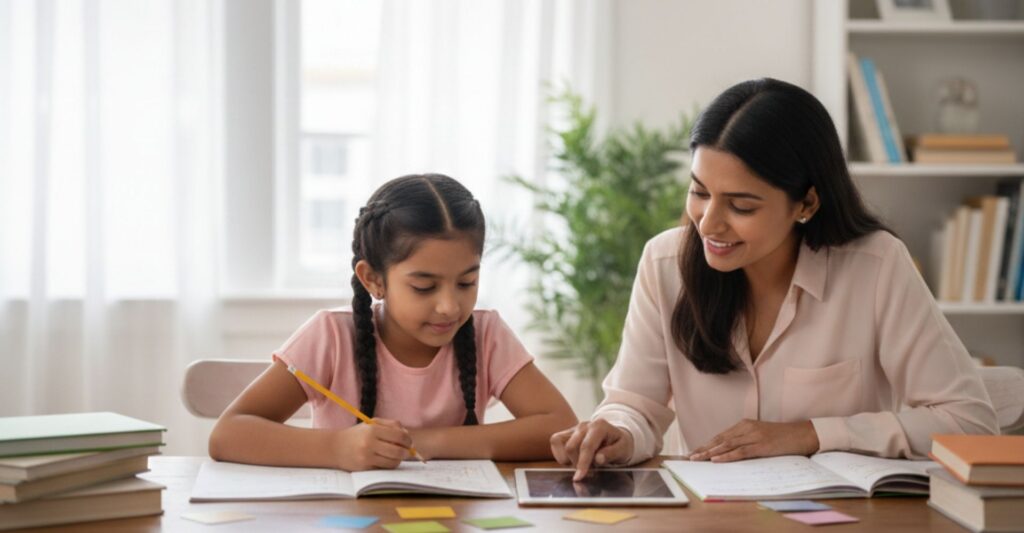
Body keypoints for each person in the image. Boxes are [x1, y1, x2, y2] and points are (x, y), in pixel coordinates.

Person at [550, 78, 997, 480]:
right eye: (699, 193)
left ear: (806, 204)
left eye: (741, 206)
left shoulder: (876, 266)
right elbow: (636, 406)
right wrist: (618, 433)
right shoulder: (665, 264)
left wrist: (809, 434)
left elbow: (969, 421)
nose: (708, 224)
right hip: (709, 518)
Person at [210, 174, 577, 471]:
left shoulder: (486, 333)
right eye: (424, 286)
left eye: (467, 282)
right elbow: (228, 434)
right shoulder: (332, 335)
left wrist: (423, 441)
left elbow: (559, 424)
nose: (450, 306)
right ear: (373, 279)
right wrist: (337, 448)